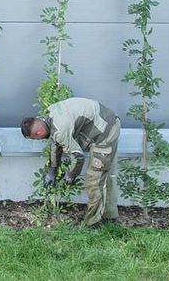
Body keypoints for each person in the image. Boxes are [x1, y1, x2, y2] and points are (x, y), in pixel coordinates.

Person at [21, 97, 121, 227]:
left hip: (105, 132)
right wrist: (52, 171)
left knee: (94, 180)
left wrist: (71, 174)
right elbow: (55, 144)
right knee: (104, 176)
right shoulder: (49, 114)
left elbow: (78, 156)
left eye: (35, 139)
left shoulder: (60, 129)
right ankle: (109, 216)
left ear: (39, 132)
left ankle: (93, 223)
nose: (38, 140)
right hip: (100, 123)